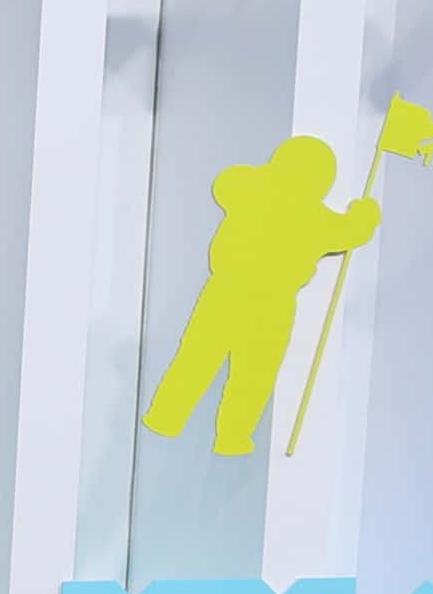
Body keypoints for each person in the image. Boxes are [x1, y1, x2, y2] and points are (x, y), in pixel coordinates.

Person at [147, 135, 379, 454]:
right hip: (269, 300)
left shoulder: (251, 190)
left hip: (230, 290)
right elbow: (352, 232)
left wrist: (265, 178)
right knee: (252, 373)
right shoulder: (316, 217)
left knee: (199, 357)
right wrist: (365, 213)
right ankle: (230, 435)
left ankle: (167, 416)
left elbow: (226, 182)